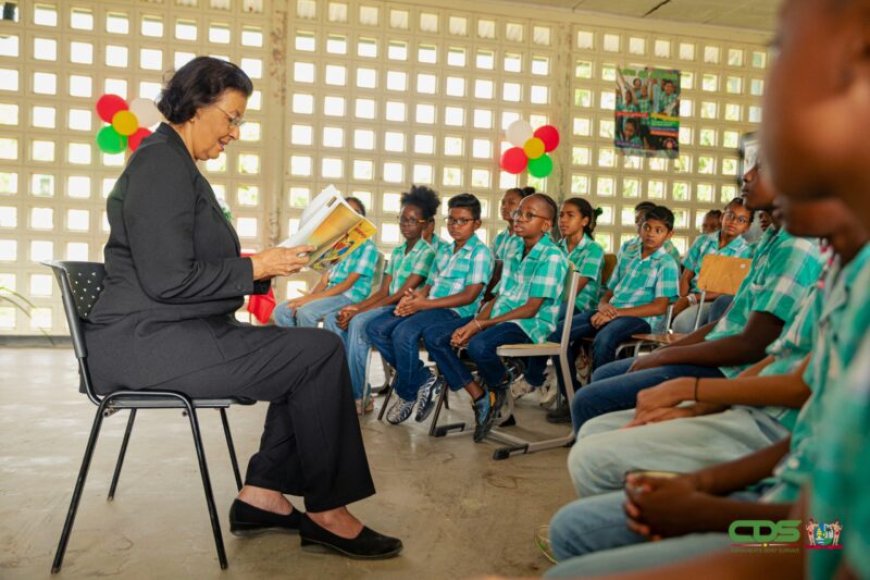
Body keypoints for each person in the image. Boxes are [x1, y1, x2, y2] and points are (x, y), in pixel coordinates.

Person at [83, 57, 401, 559]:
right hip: (148, 342)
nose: (235, 132)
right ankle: (326, 512)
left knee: (306, 352)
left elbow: (184, 269)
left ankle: (262, 496)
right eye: (231, 117)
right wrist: (255, 267)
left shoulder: (172, 163)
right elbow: (168, 280)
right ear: (195, 106)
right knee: (316, 353)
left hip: (169, 330)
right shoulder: (161, 166)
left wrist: (267, 267)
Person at [566, 165, 822, 435]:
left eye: (763, 167)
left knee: (588, 400)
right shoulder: (770, 240)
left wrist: (665, 354)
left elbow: (753, 344)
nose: (747, 175)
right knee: (604, 374)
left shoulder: (795, 248)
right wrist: (664, 352)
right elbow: (726, 322)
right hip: (719, 347)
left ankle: (620, 447)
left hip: (733, 369)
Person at [423, 193, 568, 442]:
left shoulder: (552, 257)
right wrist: (473, 323)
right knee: (435, 337)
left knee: (479, 345)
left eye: (529, 215)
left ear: (546, 225)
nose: (519, 218)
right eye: (519, 213)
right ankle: (484, 395)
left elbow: (531, 309)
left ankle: (499, 384)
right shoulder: (514, 248)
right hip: (501, 317)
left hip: (530, 324)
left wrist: (480, 324)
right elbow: (499, 297)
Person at [367, 193, 493, 425]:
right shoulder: (444, 251)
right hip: (430, 307)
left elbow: (470, 296)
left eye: (463, 221)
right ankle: (422, 377)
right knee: (376, 327)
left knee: (403, 332)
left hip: (457, 312)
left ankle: (407, 393)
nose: (455, 226)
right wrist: (413, 299)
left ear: (476, 224)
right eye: (451, 220)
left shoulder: (480, 253)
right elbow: (429, 285)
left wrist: (424, 304)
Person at [327, 186, 439, 415]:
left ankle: (360, 396)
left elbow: (401, 293)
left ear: (425, 224)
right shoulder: (397, 252)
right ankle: (353, 388)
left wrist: (358, 313)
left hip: (406, 309)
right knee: (339, 318)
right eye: (403, 219)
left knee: (359, 323)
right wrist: (355, 307)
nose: (406, 224)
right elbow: (383, 291)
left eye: (413, 220)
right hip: (389, 305)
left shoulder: (427, 253)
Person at [558, 205, 680, 384]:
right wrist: (604, 306)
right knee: (559, 332)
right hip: (611, 313)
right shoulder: (629, 253)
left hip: (641, 320)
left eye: (658, 230)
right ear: (640, 227)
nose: (650, 234)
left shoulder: (666, 263)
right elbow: (609, 291)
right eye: (647, 227)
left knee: (604, 339)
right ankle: (571, 391)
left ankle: (600, 391)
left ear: (669, 235)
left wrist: (615, 313)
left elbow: (659, 307)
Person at [511, 198, 605, 421]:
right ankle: (556, 383)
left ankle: (533, 377)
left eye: (570, 215)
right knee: (527, 317)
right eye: (561, 215)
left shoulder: (593, 250)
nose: (563, 220)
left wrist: (541, 299)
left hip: (580, 306)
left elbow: (572, 290)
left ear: (585, 221)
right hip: (555, 303)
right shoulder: (556, 247)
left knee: (548, 323)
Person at [272, 197, 379, 329]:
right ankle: (296, 342)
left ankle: (310, 343)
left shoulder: (368, 247)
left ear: (363, 220)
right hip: (330, 293)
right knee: (282, 310)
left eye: (356, 212)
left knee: (306, 313)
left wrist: (309, 300)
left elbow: (347, 284)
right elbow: (324, 282)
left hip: (349, 296)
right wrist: (310, 296)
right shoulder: (336, 244)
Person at [671, 198, 753, 334]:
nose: (733, 222)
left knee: (683, 324)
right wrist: (681, 299)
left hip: (714, 302)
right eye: (730, 216)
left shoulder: (747, 252)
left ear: (747, 227)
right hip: (690, 296)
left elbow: (731, 291)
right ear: (722, 217)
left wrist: (692, 299)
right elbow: (686, 277)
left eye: (741, 220)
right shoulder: (702, 241)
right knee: (666, 315)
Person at [618, 201, 681, 267]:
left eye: (643, 220)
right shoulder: (627, 245)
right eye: (636, 220)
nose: (639, 224)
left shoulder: (668, 249)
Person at [491, 186, 535, 260]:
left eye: (511, 203)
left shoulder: (528, 238)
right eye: (503, 203)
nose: (504, 207)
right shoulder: (499, 238)